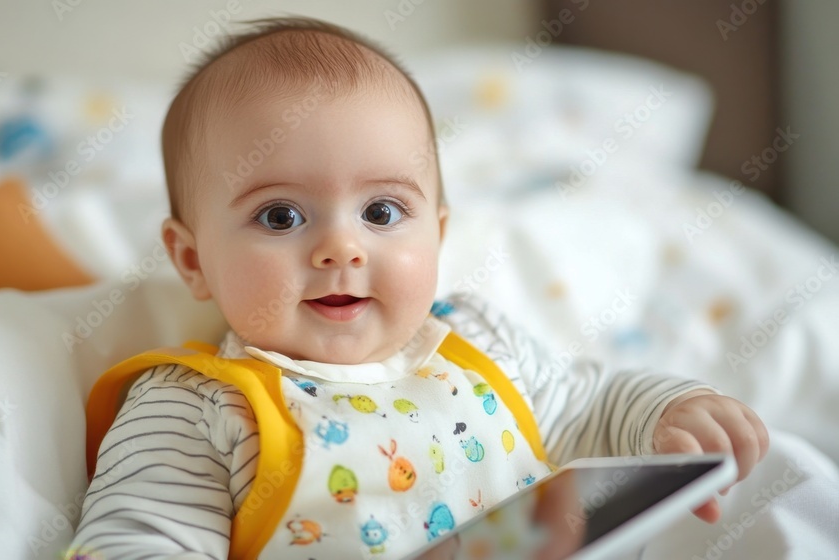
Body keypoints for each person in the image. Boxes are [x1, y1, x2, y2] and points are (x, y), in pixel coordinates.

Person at [67, 17, 769, 560]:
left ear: (434, 234)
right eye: (279, 216)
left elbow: (590, 407)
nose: (342, 248)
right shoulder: (199, 406)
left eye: (381, 212)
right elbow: (134, 540)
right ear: (191, 260)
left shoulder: (480, 345)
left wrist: (675, 410)